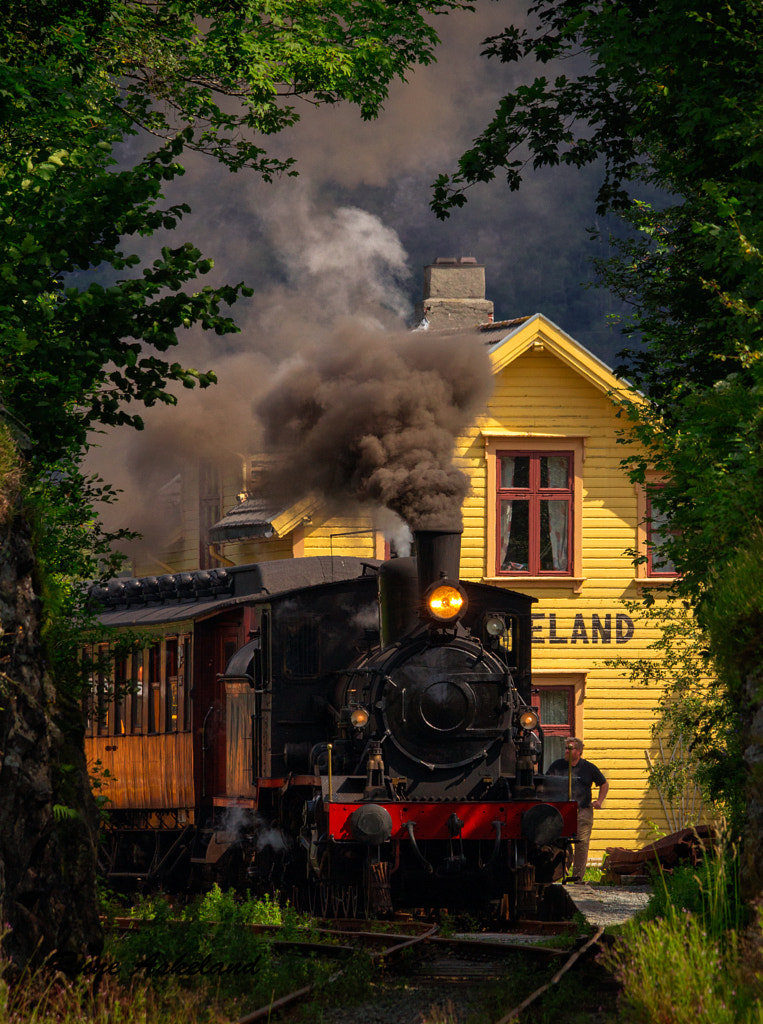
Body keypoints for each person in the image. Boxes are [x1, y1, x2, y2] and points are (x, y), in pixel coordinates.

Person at [546, 737, 608, 882]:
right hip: (560, 812)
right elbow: (546, 783)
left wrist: (599, 801)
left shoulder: (588, 768)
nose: (566, 751)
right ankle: (556, 873)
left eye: (569, 748)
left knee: (581, 844)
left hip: (582, 812)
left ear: (578, 751)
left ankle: (578, 877)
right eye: (566, 748)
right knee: (555, 841)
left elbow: (604, 784)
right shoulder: (557, 766)